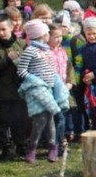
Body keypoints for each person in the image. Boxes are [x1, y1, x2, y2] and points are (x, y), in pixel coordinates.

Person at [18, 19, 69, 164]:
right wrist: (35, 81)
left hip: (49, 89)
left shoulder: (46, 50)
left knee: (50, 118)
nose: (48, 35)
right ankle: (32, 147)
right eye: (47, 33)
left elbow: (51, 70)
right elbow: (21, 71)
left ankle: (52, 146)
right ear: (41, 35)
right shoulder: (30, 50)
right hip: (37, 90)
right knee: (40, 120)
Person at [0, 12, 28, 158]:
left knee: (19, 118)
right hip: (3, 90)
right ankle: (6, 147)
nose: (1, 33)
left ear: (11, 27)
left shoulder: (20, 43)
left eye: (3, 29)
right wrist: (7, 60)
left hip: (19, 88)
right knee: (4, 120)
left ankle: (21, 145)